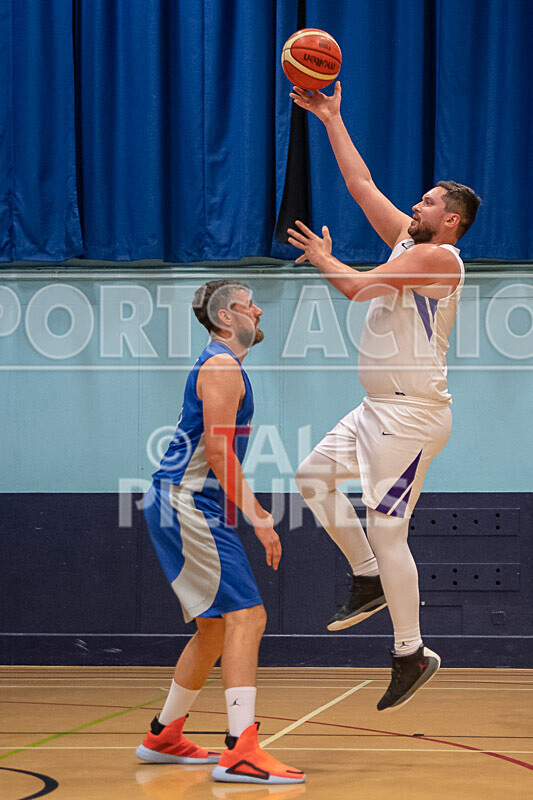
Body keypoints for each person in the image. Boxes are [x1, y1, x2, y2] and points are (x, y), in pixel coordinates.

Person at [288, 81, 481, 712]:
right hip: (376, 408)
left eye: (426, 202)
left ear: (449, 219)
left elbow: (357, 289)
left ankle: (410, 652)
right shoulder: (410, 239)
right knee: (312, 477)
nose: (415, 205)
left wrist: (323, 258)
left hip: (412, 414)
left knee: (388, 526)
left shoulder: (442, 260)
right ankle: (367, 577)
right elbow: (362, 184)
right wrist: (330, 117)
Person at [137, 280, 305, 784]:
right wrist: (259, 517)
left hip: (183, 500)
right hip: (186, 501)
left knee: (214, 626)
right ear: (226, 317)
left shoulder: (225, 366)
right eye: (248, 303)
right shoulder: (221, 366)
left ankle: (163, 735)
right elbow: (216, 453)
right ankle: (242, 750)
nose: (258, 309)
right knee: (248, 617)